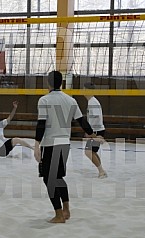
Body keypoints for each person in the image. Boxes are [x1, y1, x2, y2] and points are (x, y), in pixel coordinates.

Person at [34, 71, 103, 223]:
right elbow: (82, 121)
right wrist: (92, 134)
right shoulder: (70, 100)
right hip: (65, 144)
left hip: (50, 144)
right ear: (62, 83)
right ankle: (66, 209)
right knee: (58, 177)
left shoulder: (44, 100)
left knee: (49, 179)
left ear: (48, 83)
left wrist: (36, 144)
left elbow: (41, 124)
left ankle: (59, 215)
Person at [83, 82, 107, 178]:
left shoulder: (93, 101)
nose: (83, 91)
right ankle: (102, 171)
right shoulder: (91, 101)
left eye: (84, 89)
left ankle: (101, 171)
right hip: (96, 130)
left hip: (96, 131)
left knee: (88, 152)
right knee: (92, 152)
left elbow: (96, 117)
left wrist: (90, 132)